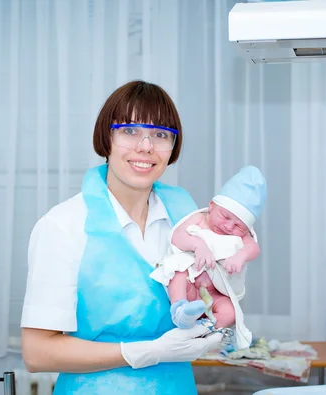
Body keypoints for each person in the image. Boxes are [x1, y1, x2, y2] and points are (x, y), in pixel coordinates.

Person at [20, 80, 223, 395]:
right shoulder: (64, 226)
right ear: (107, 138)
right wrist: (147, 352)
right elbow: (37, 352)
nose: (146, 147)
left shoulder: (185, 219)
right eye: (129, 130)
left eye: (160, 135)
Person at [150, 166, 267, 350]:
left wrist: (241, 256)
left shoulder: (244, 236)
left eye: (238, 226)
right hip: (191, 284)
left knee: (231, 311)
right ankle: (180, 310)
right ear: (211, 206)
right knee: (177, 271)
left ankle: (205, 331)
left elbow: (254, 249)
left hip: (216, 292)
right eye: (225, 216)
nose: (229, 227)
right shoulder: (199, 218)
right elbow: (176, 236)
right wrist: (198, 245)